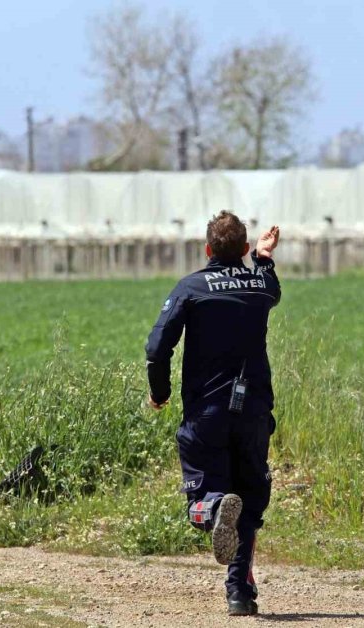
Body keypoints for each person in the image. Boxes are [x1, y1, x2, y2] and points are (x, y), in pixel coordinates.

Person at [145, 211, 280, 616]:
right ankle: (239, 593)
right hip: (254, 410)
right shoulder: (260, 286)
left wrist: (160, 393)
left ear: (207, 250)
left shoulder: (192, 288)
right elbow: (269, 285)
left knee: (205, 495)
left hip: (207, 412)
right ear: (242, 248)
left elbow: (156, 349)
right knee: (250, 502)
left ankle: (212, 506)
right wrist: (263, 256)